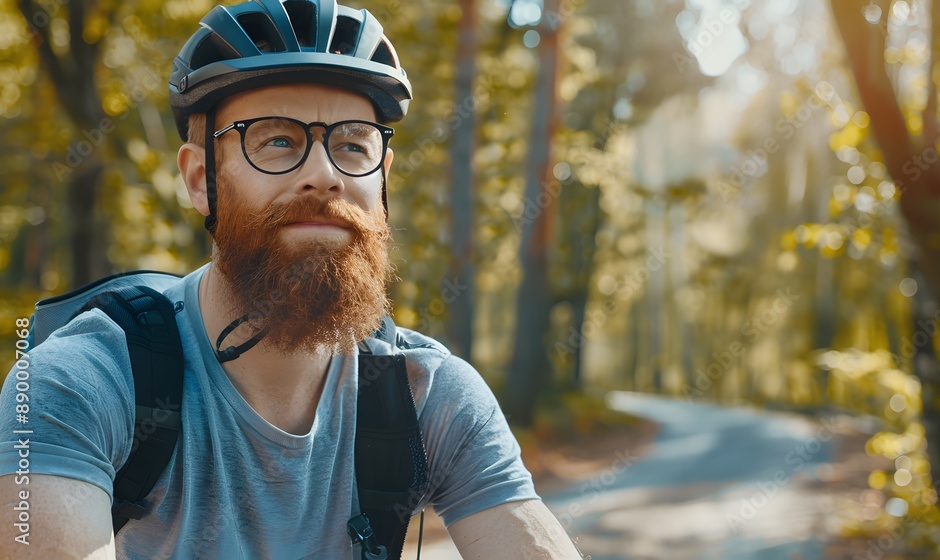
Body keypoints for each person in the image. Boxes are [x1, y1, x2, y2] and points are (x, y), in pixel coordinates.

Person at [0, 1, 581, 558]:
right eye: (277, 140)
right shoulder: (80, 385)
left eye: (354, 144)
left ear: (382, 180)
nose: (324, 175)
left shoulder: (428, 399)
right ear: (202, 179)